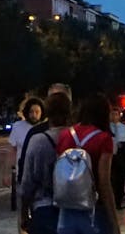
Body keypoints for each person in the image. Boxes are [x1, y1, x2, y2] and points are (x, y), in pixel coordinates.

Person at [53, 94, 120, 234]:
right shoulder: (104, 138)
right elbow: (104, 183)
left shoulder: (65, 134)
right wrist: (114, 221)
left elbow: (58, 171)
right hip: (93, 209)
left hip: (66, 209)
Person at [18, 91, 71, 234]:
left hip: (44, 208)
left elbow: (27, 182)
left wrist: (23, 214)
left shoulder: (38, 140)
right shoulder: (77, 139)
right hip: (74, 209)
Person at [6, 96, 45, 189]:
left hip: (42, 177)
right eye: (31, 112)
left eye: (37, 112)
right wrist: (7, 173)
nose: (34, 115)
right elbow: (12, 151)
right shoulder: (17, 127)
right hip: (22, 175)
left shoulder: (46, 128)